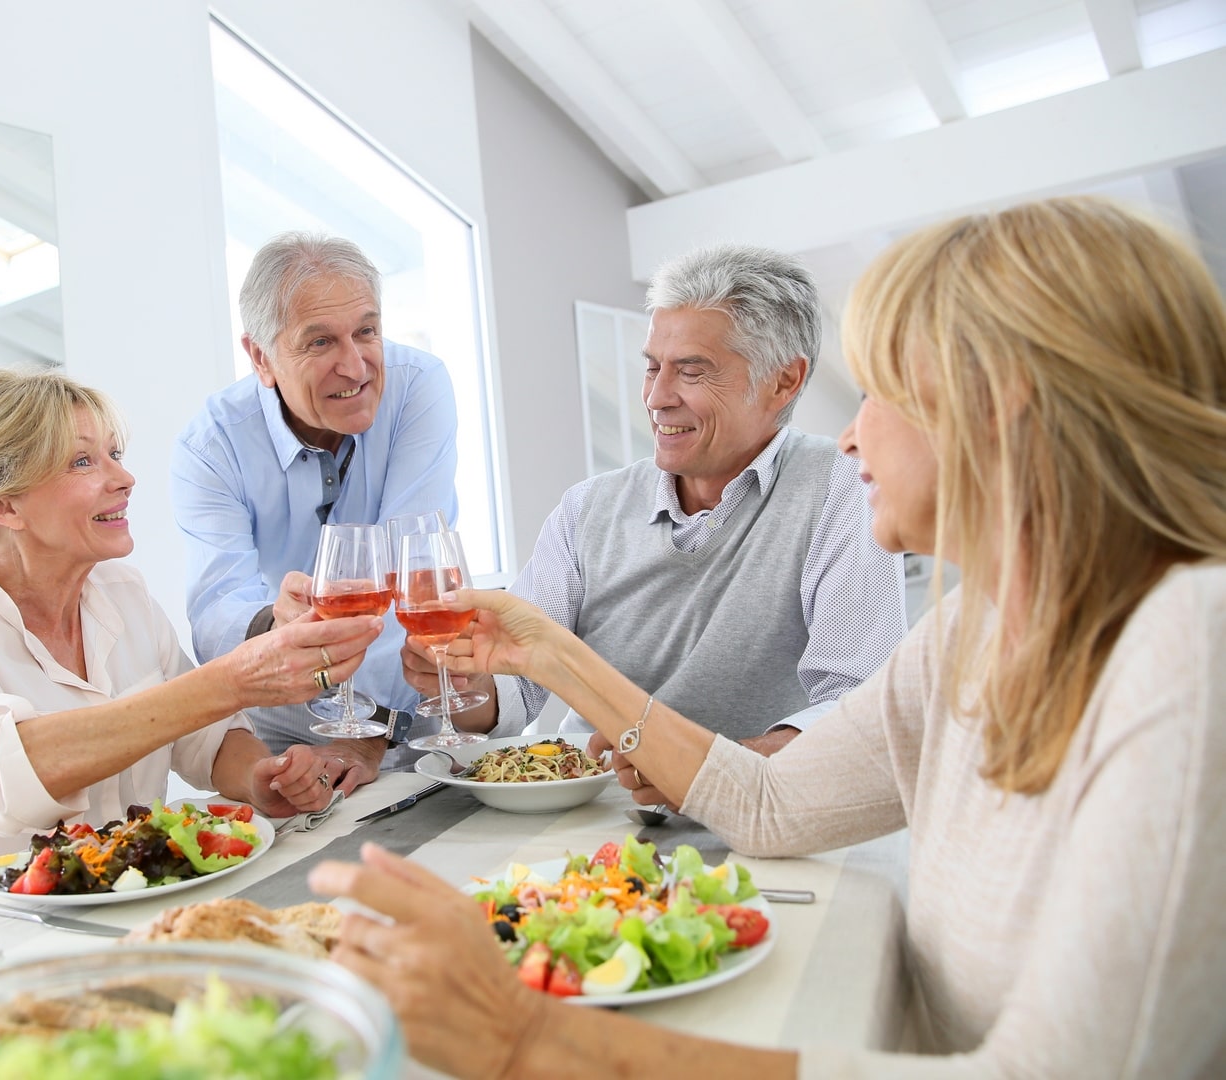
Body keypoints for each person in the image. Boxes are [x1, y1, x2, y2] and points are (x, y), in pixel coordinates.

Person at [312, 197, 1226, 1077]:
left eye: (884, 392)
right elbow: (772, 805)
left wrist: (527, 1044)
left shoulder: (1187, 647)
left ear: (1005, 409)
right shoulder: (972, 634)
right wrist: (548, 653)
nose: (855, 434)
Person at [0, 368, 383, 911]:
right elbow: (4, 779)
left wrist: (258, 776)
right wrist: (232, 680)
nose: (124, 478)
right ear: (5, 506)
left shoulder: (122, 592)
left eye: (114, 454)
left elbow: (204, 738)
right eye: (83, 461)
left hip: (119, 913)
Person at [406, 245, 905, 754]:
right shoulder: (586, 510)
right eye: (653, 368)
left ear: (783, 380)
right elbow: (512, 692)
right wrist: (464, 688)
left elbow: (859, 702)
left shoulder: (844, 487)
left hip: (760, 807)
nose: (657, 396)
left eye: (691, 371)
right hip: (598, 803)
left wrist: (698, 774)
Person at [172, 232, 479, 787]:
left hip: (411, 700)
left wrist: (365, 732)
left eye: (366, 330)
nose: (356, 365)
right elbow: (214, 610)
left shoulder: (418, 387)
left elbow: (408, 571)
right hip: (289, 705)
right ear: (261, 358)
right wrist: (276, 623)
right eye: (320, 342)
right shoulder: (211, 446)